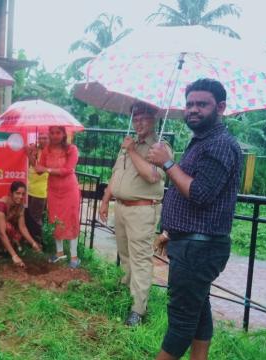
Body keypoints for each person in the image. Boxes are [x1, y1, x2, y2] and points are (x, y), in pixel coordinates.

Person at [148, 78, 243, 360]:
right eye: (189, 104)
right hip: (191, 242)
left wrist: (167, 163)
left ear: (221, 107)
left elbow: (200, 194)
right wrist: (170, 232)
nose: (193, 109)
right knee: (198, 312)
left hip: (198, 248)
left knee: (181, 322)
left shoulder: (221, 145)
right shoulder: (202, 141)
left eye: (202, 104)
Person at [99, 101, 173, 327]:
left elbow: (151, 176)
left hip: (142, 209)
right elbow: (116, 174)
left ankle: (138, 309)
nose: (138, 122)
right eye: (135, 118)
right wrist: (105, 201)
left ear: (154, 119)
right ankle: (127, 292)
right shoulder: (129, 143)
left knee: (140, 258)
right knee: (125, 254)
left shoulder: (160, 148)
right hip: (121, 207)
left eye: (143, 118)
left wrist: (131, 151)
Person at [35, 126, 81, 269]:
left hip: (69, 189)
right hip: (54, 190)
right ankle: (59, 253)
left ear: (63, 134)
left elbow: (67, 170)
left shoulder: (72, 149)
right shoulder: (46, 150)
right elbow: (38, 170)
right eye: (52, 133)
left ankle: (74, 257)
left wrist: (47, 169)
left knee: (71, 219)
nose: (55, 136)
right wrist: (31, 155)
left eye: (58, 133)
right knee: (56, 219)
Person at [0, 181, 43, 267]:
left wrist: (33, 243)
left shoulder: (20, 206)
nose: (20, 196)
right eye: (18, 193)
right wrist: (15, 256)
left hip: (4, 226)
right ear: (11, 193)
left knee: (17, 235)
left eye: (23, 194)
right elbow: (1, 233)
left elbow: (22, 227)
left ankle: (6, 250)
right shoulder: (0, 205)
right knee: (8, 228)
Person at [24, 132, 50, 244]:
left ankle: (38, 243)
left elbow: (39, 170)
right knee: (28, 216)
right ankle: (30, 241)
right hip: (29, 188)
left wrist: (29, 154)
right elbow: (31, 165)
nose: (42, 140)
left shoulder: (50, 153)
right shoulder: (37, 150)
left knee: (35, 218)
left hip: (40, 190)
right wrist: (31, 153)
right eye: (40, 138)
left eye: (45, 138)